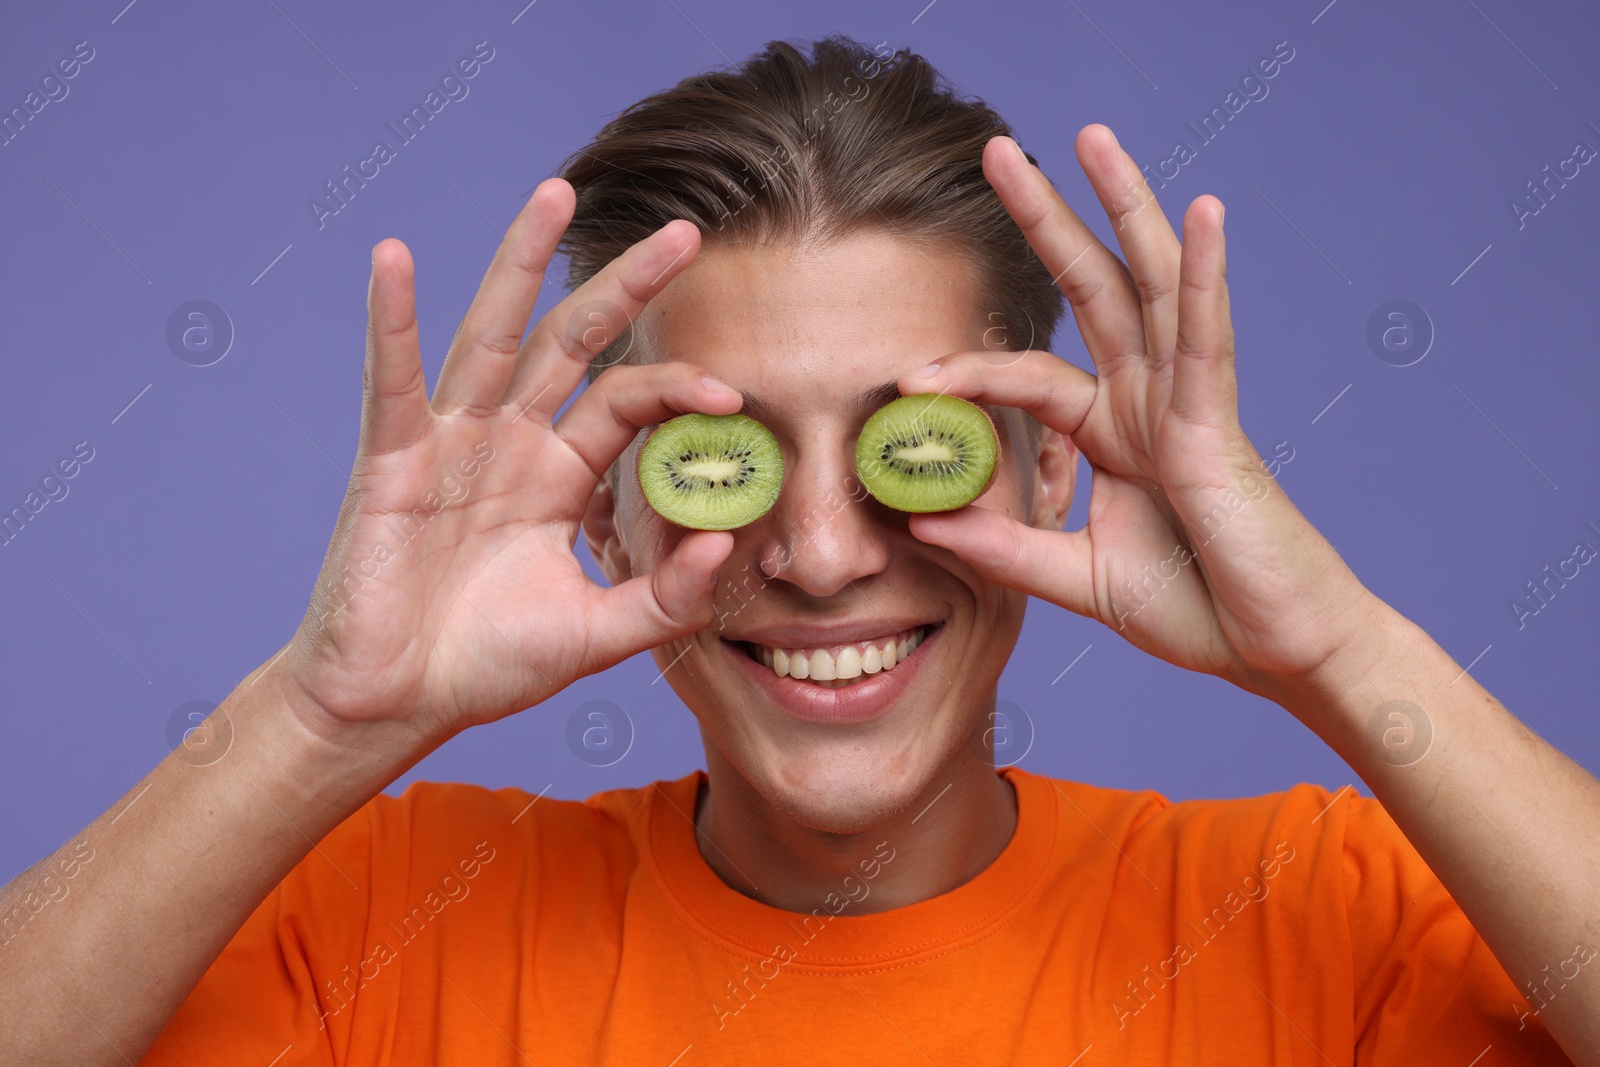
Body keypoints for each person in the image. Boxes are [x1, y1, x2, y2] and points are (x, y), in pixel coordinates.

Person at [2, 34, 1595, 1066]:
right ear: (611, 501)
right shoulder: (368, 925)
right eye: (725, 455)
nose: (825, 552)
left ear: (1055, 467)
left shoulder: (1329, 913)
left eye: (911, 444)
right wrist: (317, 720)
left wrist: (1343, 652)